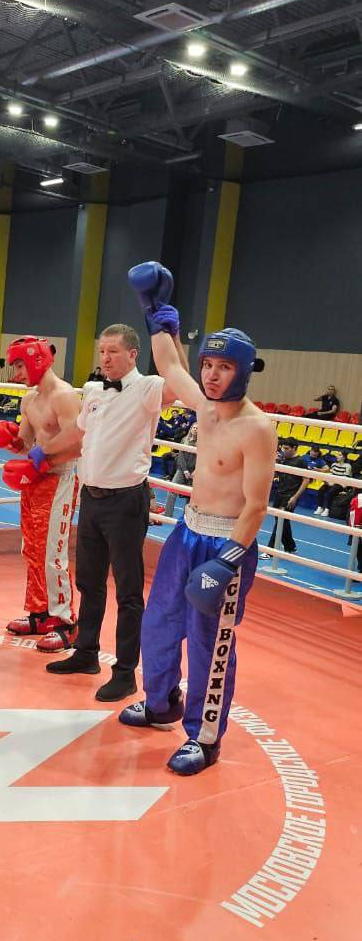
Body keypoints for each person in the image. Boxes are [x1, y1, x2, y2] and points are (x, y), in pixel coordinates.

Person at [117, 261, 277, 776]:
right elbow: (169, 366)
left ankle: (205, 739)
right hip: (187, 533)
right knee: (160, 623)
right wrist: (154, 313)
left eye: (223, 367)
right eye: (207, 364)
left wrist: (228, 561)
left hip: (226, 544)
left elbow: (256, 505)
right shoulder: (205, 411)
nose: (210, 374)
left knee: (211, 644)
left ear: (243, 372)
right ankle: (160, 701)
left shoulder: (257, 429)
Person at [38, 315, 178, 701]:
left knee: (129, 591)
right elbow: (78, 432)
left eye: (113, 351)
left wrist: (172, 336)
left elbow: (178, 381)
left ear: (133, 354)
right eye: (102, 351)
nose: (105, 358)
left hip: (126, 501)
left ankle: (125, 672)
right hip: (91, 498)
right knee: (89, 581)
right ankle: (86, 653)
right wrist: (41, 454)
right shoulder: (94, 391)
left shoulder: (147, 388)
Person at [0, 336, 81, 653]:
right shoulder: (29, 400)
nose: (16, 374)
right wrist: (10, 440)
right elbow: (26, 444)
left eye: (19, 366)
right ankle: (40, 613)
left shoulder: (64, 396)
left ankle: (66, 622)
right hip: (36, 479)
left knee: (53, 551)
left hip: (60, 478)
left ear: (35, 360)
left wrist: (45, 459)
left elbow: (79, 443)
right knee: (32, 548)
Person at [262, 438, 310, 556]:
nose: (284, 450)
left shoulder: (301, 461)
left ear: (294, 448)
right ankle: (290, 546)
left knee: (280, 521)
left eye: (287, 448)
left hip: (290, 495)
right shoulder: (283, 460)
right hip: (279, 493)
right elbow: (275, 474)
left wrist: (295, 497)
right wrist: (276, 463)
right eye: (283, 448)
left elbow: (306, 480)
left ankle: (270, 551)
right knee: (282, 521)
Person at [163, 420, 198, 519]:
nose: (195, 430)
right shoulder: (184, 439)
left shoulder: (203, 443)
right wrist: (185, 470)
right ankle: (167, 514)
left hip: (195, 472)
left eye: (197, 428)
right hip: (182, 470)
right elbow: (181, 456)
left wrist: (196, 471)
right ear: (191, 429)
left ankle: (186, 517)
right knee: (172, 490)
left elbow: (202, 458)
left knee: (190, 496)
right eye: (194, 428)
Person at [315, 448, 353, 517]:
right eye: (337, 455)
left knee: (330, 492)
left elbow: (345, 478)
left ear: (344, 457)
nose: (337, 456)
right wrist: (328, 481)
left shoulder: (348, 466)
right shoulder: (334, 464)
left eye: (340, 455)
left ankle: (327, 509)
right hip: (332, 483)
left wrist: (333, 483)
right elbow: (331, 474)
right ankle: (320, 507)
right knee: (321, 490)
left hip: (341, 484)